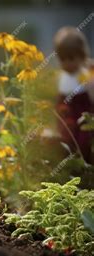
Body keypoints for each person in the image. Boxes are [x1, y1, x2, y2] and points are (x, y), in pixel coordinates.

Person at [54, 26, 93, 163]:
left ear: (81, 56)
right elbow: (60, 98)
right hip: (66, 116)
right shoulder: (62, 76)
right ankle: (70, 168)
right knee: (65, 142)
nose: (67, 63)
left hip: (83, 116)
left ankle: (85, 166)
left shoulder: (86, 73)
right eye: (62, 59)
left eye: (71, 58)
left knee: (84, 141)